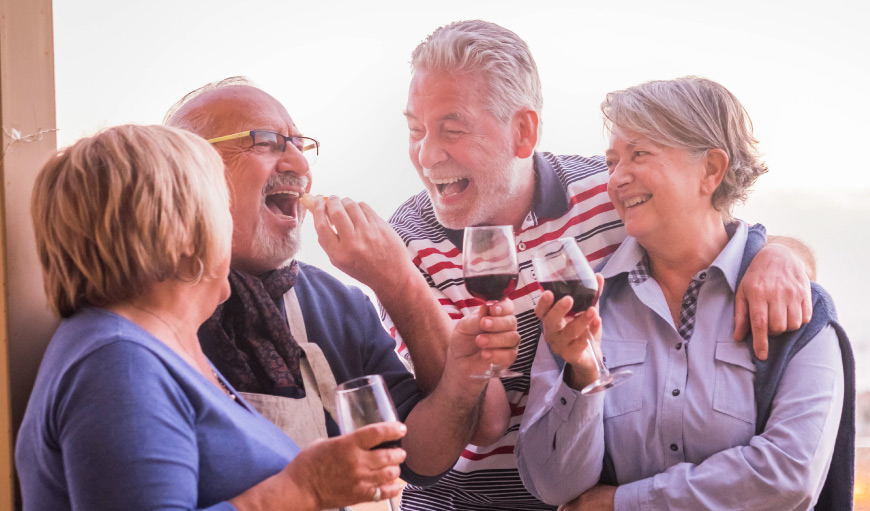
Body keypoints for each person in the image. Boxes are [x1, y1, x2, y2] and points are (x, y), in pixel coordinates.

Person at [375, 20, 817, 510]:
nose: (427, 153)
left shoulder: (613, 196)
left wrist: (781, 255)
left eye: (451, 129)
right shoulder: (407, 243)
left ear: (523, 131)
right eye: (415, 130)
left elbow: (720, 238)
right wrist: (403, 288)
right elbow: (474, 428)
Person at [15, 124, 410, 510]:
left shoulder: (155, 348)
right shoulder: (117, 364)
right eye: (220, 207)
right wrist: (305, 488)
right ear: (183, 232)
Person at [163, 78, 520, 495]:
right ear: (187, 170)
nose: (298, 163)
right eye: (266, 142)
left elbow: (417, 456)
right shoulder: (151, 311)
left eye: (298, 143)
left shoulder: (335, 302)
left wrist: (462, 375)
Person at [516, 76, 854, 510]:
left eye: (639, 154)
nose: (617, 178)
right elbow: (553, 486)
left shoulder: (796, 306)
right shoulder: (584, 307)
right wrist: (581, 372)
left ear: (711, 170)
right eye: (612, 162)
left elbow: (789, 475)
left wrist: (621, 504)